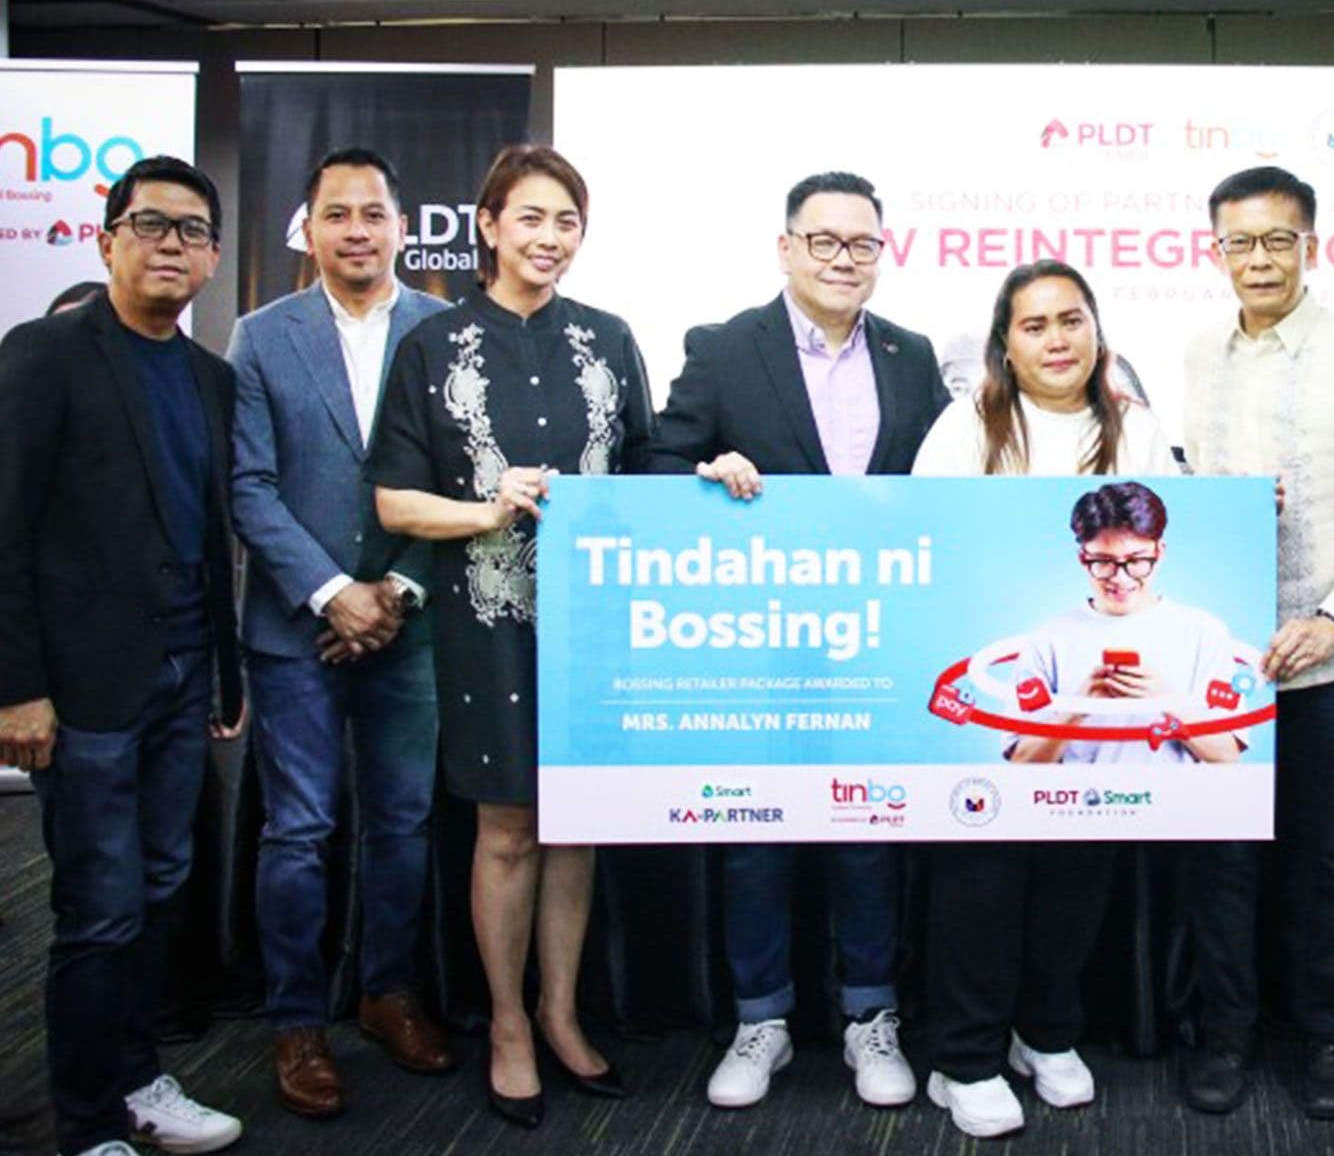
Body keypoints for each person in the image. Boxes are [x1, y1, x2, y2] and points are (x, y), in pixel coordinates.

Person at [366, 144, 654, 1130]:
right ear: (487, 226)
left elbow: (648, 471)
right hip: (486, 618)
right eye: (530, 217)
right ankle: (505, 1025)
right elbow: (394, 499)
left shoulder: (609, 338)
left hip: (596, 623)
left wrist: (711, 474)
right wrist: (487, 509)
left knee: (578, 824)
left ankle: (561, 1011)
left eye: (567, 221)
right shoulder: (433, 346)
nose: (550, 238)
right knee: (507, 829)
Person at [649, 170, 946, 1111]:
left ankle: (870, 1015)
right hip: (759, 639)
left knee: (869, 830)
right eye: (824, 241)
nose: (843, 259)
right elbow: (655, 464)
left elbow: (946, 480)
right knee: (756, 832)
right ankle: (761, 1020)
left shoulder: (910, 354)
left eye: (862, 244)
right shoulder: (725, 347)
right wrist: (706, 471)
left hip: (879, 640)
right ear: (786, 249)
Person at [0, 155, 245, 1156]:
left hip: (183, 676)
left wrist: (225, 674)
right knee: (97, 908)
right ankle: (88, 1120)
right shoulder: (46, 354)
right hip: (85, 689)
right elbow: (5, 528)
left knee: (160, 888)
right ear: (107, 240)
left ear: (213, 257)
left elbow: (210, 533)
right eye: (150, 224)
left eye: (192, 231)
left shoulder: (210, 378)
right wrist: (17, 687)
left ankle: (139, 1076)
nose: (171, 244)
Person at [1177, 165, 1334, 1118]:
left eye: (1278, 240)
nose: (1259, 259)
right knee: (1222, 861)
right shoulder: (1200, 356)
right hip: (1228, 668)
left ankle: (1326, 1038)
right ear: (1216, 252)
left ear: (1310, 247)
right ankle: (1226, 1035)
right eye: (1240, 242)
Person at [908, 264, 1179, 1137]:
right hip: (991, 691)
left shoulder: (1137, 429)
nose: (1058, 340)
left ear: (1097, 330)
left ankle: (1046, 1032)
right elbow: (923, 545)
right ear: (1005, 343)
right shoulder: (965, 427)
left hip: (1098, 693)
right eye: (1035, 325)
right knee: (982, 875)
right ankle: (964, 1057)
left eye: (1072, 320)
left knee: (1078, 870)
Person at [227, 147, 453, 1118]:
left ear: (403, 226)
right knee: (300, 830)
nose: (356, 230)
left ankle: (386, 991)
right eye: (336, 214)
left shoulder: (445, 330)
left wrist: (394, 589)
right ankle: (296, 1019)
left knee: (402, 823)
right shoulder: (260, 336)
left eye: (372, 213)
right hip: (296, 630)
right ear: (309, 229)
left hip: (411, 620)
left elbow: (464, 480)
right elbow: (248, 484)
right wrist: (331, 594)